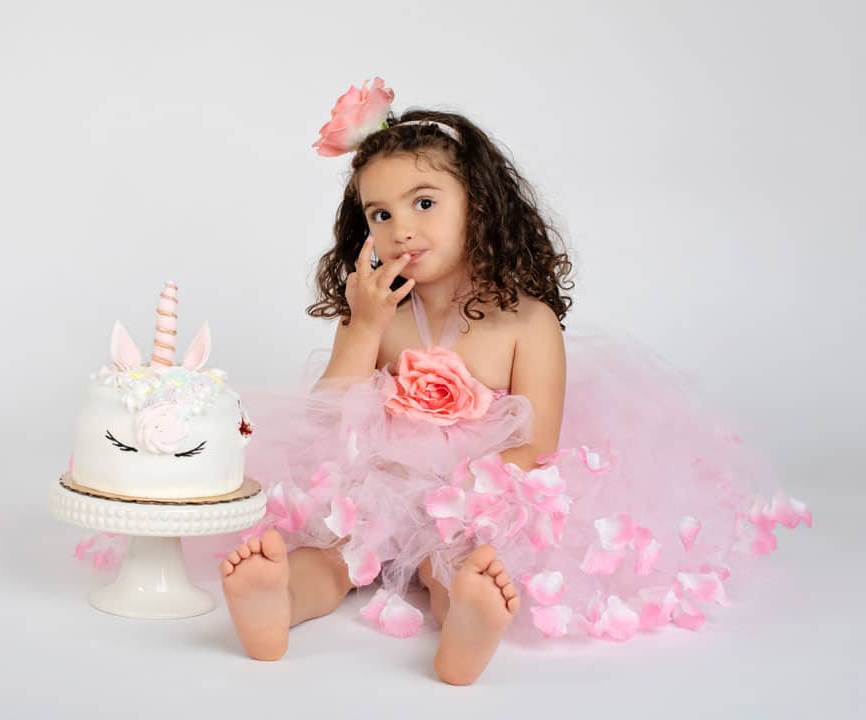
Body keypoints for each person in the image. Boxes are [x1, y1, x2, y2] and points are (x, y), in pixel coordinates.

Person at [216, 77, 811, 685]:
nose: (402, 228)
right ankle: (278, 600)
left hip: (477, 492)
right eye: (381, 214)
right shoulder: (379, 311)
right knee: (340, 551)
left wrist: (454, 494)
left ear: (479, 203)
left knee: (452, 562)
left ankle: (465, 624)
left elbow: (537, 445)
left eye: (424, 203)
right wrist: (366, 325)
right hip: (382, 480)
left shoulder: (527, 321)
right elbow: (328, 414)